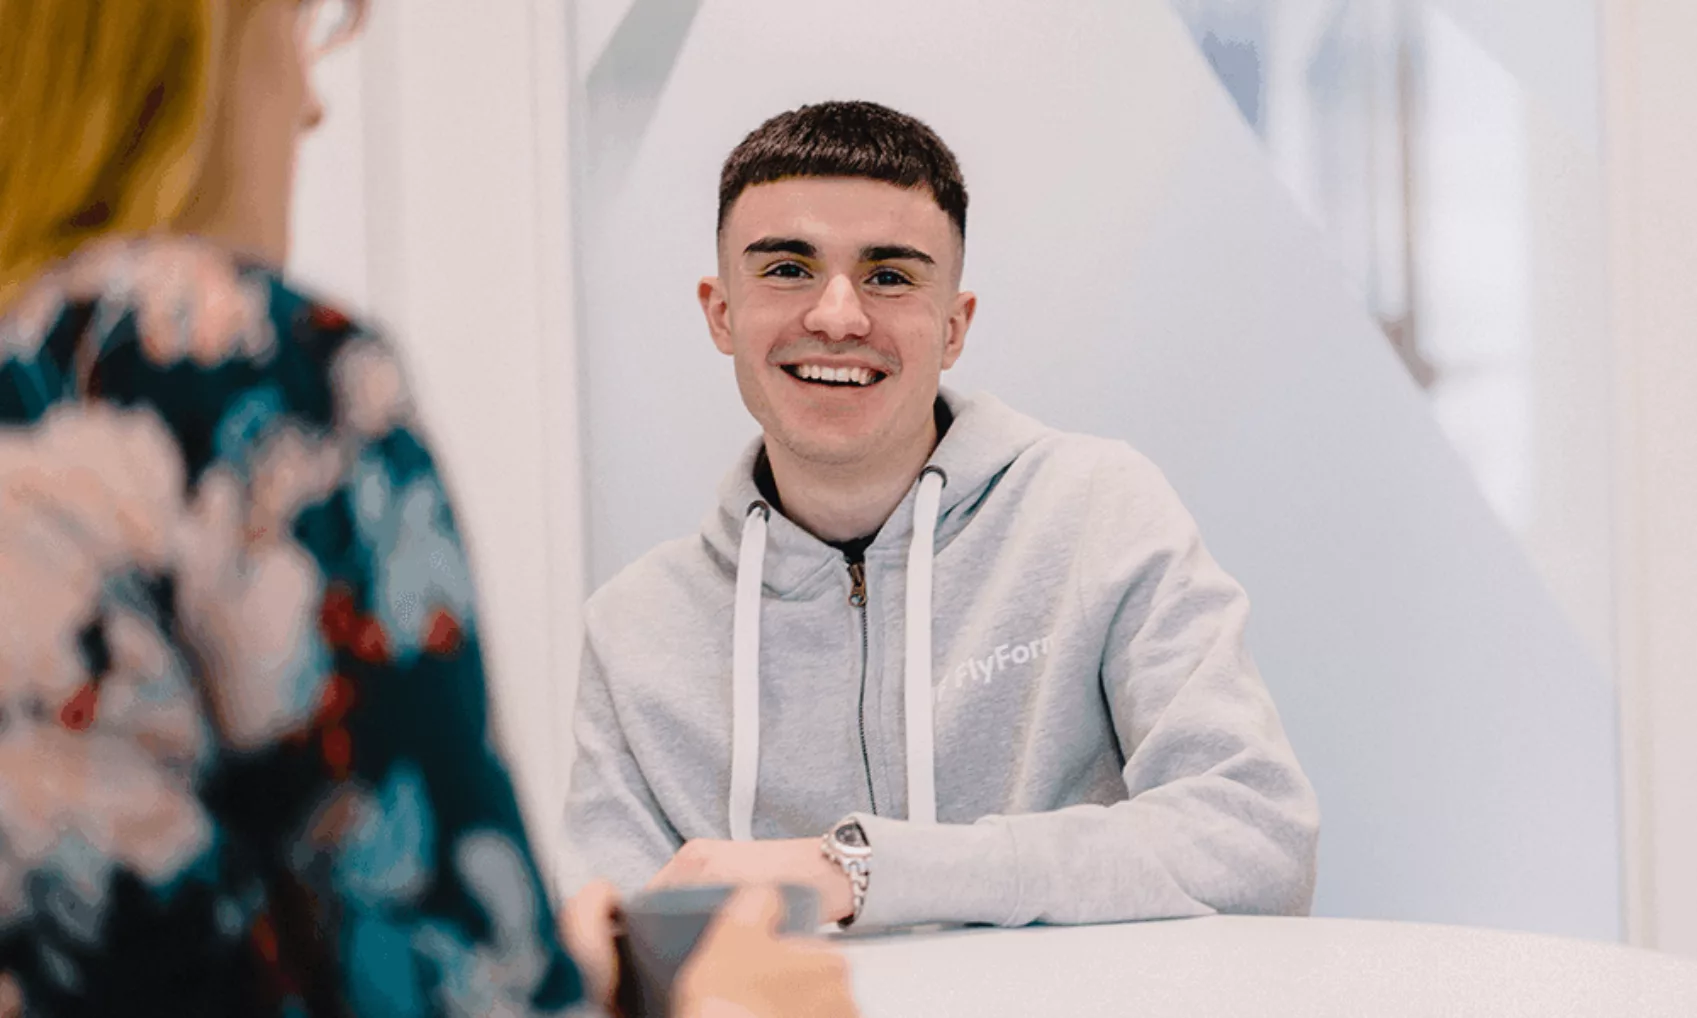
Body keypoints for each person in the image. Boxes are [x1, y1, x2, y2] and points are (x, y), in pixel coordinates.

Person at [0, 1, 857, 1015]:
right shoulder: (235, 374)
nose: (314, 103)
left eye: (885, 273)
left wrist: (537, 955)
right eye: (298, 27)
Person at [562, 100, 1322, 930]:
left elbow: (1257, 843)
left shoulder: (1096, 515)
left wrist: (858, 869)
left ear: (953, 326)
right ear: (720, 312)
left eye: (890, 276)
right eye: (786, 269)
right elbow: (609, 965)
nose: (838, 316)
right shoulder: (635, 630)